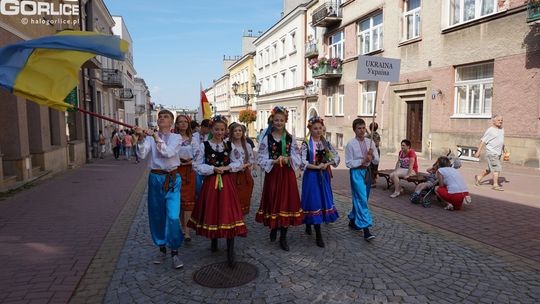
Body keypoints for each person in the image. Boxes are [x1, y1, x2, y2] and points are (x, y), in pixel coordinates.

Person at [188, 115, 247, 267]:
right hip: (211, 183)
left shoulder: (229, 146)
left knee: (229, 213)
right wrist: (212, 168)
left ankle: (230, 250)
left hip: (227, 183)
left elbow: (239, 161)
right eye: (216, 129)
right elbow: (196, 164)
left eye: (222, 129)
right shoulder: (204, 145)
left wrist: (227, 168)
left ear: (226, 130)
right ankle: (214, 239)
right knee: (214, 211)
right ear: (211, 129)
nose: (219, 132)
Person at [135, 109, 184, 269]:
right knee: (157, 214)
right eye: (160, 117)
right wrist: (142, 138)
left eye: (165, 117)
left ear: (171, 122)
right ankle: (162, 248)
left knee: (173, 215)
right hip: (155, 178)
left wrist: (155, 137)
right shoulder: (150, 138)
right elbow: (142, 155)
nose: (162, 119)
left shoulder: (177, 138)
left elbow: (168, 153)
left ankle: (175, 250)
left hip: (172, 179)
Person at [256, 106, 303, 251]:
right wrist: (273, 161)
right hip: (274, 174)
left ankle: (283, 236)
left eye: (281, 120)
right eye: (276, 120)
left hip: (287, 174)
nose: (279, 122)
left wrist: (290, 158)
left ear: (285, 121)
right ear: (272, 120)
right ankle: (274, 227)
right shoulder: (267, 138)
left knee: (286, 202)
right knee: (274, 200)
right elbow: (261, 157)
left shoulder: (290, 138)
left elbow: (297, 155)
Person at [300, 117, 340, 248]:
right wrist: (316, 166)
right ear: (310, 129)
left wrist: (326, 163)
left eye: (320, 128)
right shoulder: (306, 143)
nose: (318, 131)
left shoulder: (325, 142)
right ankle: (317, 233)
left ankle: (312, 224)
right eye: (315, 128)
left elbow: (336, 157)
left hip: (324, 176)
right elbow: (302, 162)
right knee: (313, 202)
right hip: (311, 176)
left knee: (322, 201)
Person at [345, 118, 379, 241]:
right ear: (354, 130)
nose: (362, 130)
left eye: (363, 128)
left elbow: (376, 161)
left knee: (362, 198)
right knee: (362, 199)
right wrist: (362, 160)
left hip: (367, 173)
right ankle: (366, 229)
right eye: (359, 128)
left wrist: (372, 154)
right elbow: (348, 163)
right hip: (356, 173)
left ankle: (353, 219)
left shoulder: (370, 142)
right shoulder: (350, 144)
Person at [174, 114, 196, 242]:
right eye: (180, 122)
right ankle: (181, 226)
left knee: (188, 201)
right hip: (176, 170)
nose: (183, 124)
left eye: (185, 122)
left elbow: (199, 155)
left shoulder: (194, 139)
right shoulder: (173, 138)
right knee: (179, 201)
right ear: (176, 124)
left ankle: (187, 229)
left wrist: (190, 162)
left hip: (189, 170)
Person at [229, 122, 255, 216]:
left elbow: (251, 158)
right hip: (232, 175)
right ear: (231, 132)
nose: (238, 132)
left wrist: (248, 166)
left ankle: (241, 220)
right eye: (235, 131)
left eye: (240, 130)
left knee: (244, 197)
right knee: (233, 198)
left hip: (245, 174)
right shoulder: (228, 145)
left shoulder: (247, 145)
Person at [474, 114, 505, 191]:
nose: (500, 121)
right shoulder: (490, 130)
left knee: (490, 169)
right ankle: (495, 185)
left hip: (498, 153)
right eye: (498, 120)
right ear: (493, 121)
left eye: (501, 120)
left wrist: (504, 149)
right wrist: (478, 152)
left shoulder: (502, 129)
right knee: (497, 168)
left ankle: (479, 177)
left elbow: (501, 141)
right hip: (491, 152)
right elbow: (483, 141)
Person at [366, 122, 381, 187]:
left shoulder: (370, 135)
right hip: (377, 151)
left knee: (371, 167)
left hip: (373, 151)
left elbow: (366, 138)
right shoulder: (377, 134)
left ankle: (372, 181)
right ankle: (374, 179)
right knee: (375, 166)